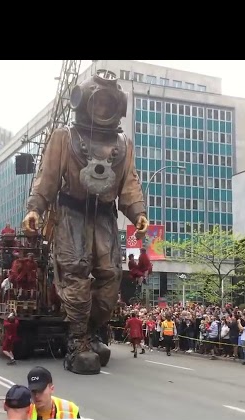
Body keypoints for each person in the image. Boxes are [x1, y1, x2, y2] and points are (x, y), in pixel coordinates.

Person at [22, 70, 148, 375]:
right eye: (98, 103)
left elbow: (128, 183)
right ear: (84, 102)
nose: (103, 109)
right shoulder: (64, 137)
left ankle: (90, 331)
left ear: (119, 105)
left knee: (109, 277)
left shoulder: (123, 145)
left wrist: (137, 212)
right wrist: (36, 208)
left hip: (104, 214)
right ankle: (78, 340)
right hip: (71, 212)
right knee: (75, 270)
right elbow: (48, 177)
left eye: (108, 104)